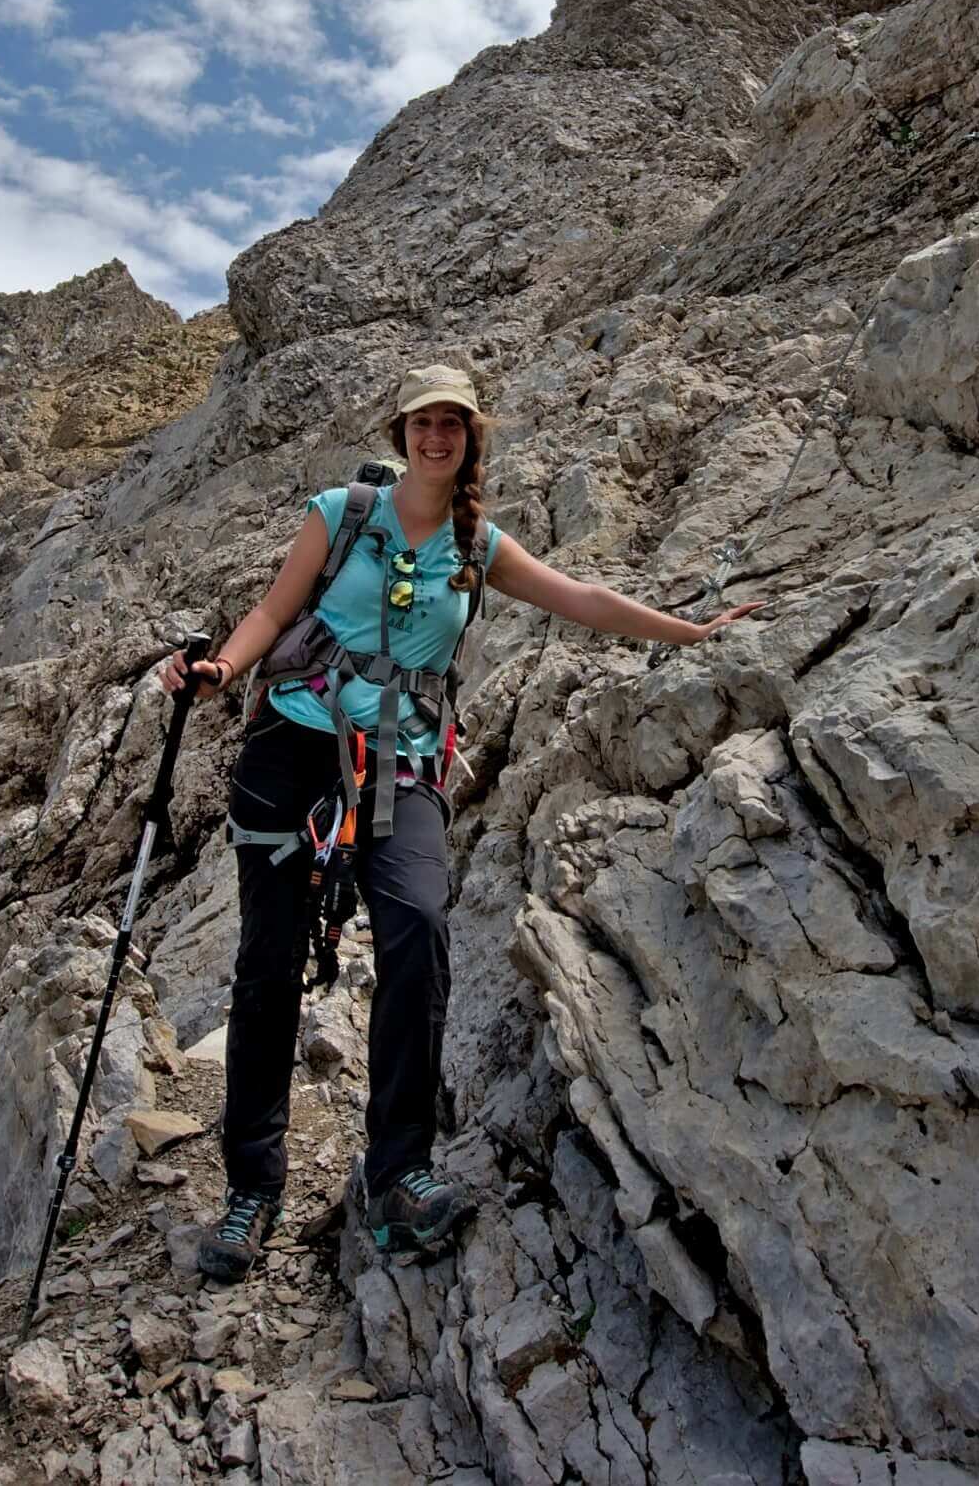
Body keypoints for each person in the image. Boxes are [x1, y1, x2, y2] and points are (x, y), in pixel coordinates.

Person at [161, 363, 759, 1280]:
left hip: (402, 764)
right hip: (293, 742)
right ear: (400, 431)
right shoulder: (339, 513)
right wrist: (221, 670)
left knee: (418, 928)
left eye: (454, 424)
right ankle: (252, 1189)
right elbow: (274, 610)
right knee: (267, 966)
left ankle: (399, 1170)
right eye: (422, 422)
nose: (437, 437)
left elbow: (583, 600)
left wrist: (694, 633)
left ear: (472, 438)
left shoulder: (479, 544)